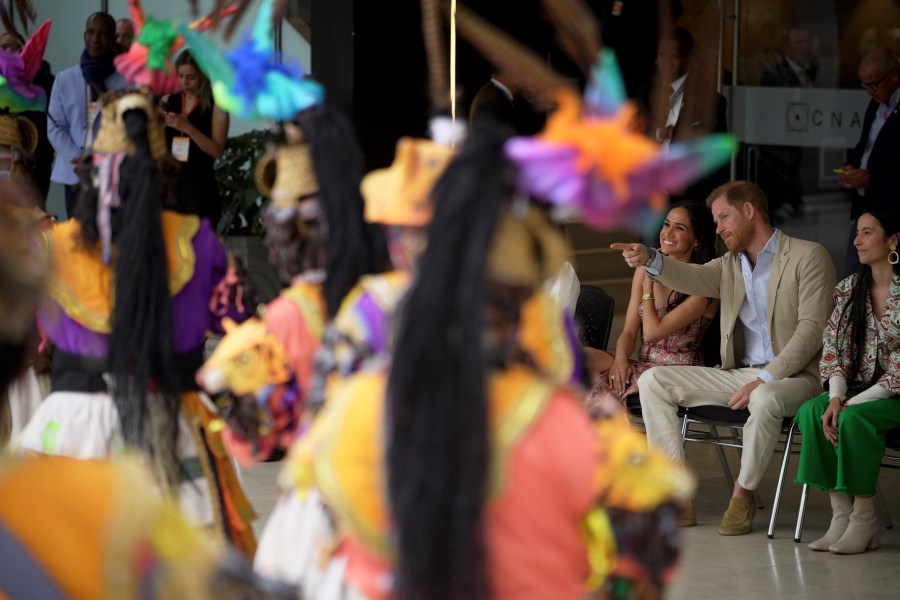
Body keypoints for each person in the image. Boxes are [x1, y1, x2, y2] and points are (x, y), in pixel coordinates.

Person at [20, 89, 256, 555]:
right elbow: (243, 331)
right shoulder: (198, 243)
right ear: (164, 171)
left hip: (68, 430)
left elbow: (22, 333)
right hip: (171, 431)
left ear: (89, 172)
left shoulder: (50, 247)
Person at [612, 180, 836, 535]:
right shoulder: (730, 264)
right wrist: (651, 259)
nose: (717, 228)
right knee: (654, 379)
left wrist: (765, 378)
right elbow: (691, 276)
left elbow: (811, 332)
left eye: (723, 218)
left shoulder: (808, 256)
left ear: (748, 210)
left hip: (795, 378)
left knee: (763, 396)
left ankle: (742, 495)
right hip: (739, 373)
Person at [794, 207, 900, 555]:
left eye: (868, 232)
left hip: (893, 395)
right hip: (858, 390)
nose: (857, 239)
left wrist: (850, 404)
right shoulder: (849, 288)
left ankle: (864, 519)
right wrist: (837, 398)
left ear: (893, 240)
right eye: (857, 232)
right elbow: (834, 348)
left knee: (852, 418)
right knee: (812, 410)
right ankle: (841, 513)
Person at [585, 201, 718, 415]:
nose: (668, 233)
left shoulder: (705, 285)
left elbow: (651, 334)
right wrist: (620, 359)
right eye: (666, 225)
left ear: (696, 241)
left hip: (679, 374)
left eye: (679, 228)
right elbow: (629, 331)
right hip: (645, 366)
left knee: (629, 383)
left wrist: (648, 285)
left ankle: (609, 423)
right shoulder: (643, 271)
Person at [47, 11, 126, 218]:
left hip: (112, 174)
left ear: (112, 39)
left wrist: (100, 159)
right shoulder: (64, 78)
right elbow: (54, 126)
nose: (95, 39)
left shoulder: (127, 81)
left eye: (102, 34)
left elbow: (131, 127)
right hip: (74, 174)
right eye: (91, 32)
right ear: (84, 36)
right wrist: (79, 157)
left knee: (111, 240)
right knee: (78, 242)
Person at [644, 27, 728, 205]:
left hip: (686, 198)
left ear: (689, 59)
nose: (666, 62)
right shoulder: (644, 94)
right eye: (662, 55)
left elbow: (713, 159)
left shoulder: (709, 101)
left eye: (675, 56)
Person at [838, 49, 900, 275]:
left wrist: (872, 178)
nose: (869, 92)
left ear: (894, 75)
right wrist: (850, 167)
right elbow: (865, 145)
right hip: (865, 207)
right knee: (855, 276)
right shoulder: (877, 102)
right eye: (864, 85)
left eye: (873, 84)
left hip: (891, 211)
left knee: (886, 280)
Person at [161, 49, 228, 225]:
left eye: (191, 77)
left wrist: (188, 128)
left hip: (200, 187)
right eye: (181, 76)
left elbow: (217, 151)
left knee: (198, 248)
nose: (185, 82)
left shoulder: (217, 106)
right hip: (171, 188)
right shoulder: (169, 101)